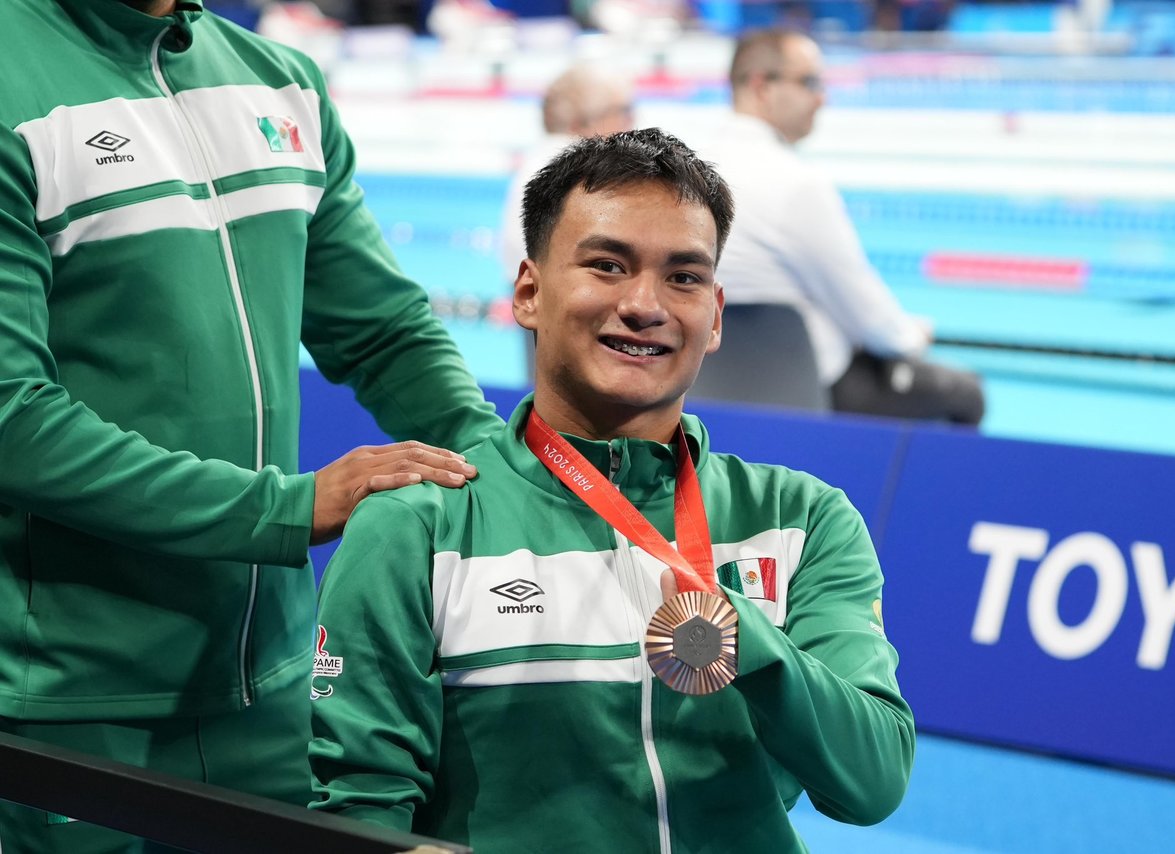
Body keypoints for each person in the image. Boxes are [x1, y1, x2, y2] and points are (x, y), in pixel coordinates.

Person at [309, 128, 915, 852]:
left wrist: (743, 639)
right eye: (607, 266)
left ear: (715, 316)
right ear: (529, 293)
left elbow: (873, 782)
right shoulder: (420, 525)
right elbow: (363, 812)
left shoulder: (801, 519)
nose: (645, 304)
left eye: (684, 278)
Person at [0, 1, 503, 850]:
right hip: (69, 706)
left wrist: (507, 470)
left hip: (278, 692)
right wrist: (288, 510)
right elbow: (12, 420)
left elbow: (382, 330)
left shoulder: (281, 82)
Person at [703, 29, 985, 424]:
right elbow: (868, 314)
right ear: (761, 86)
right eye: (809, 82)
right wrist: (911, 336)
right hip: (811, 388)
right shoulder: (796, 183)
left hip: (708, 388)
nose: (822, 98)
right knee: (967, 394)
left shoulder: (691, 169)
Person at [498, 62, 636, 279]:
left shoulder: (537, 160)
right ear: (581, 124)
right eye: (624, 111)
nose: (632, 122)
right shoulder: (585, 168)